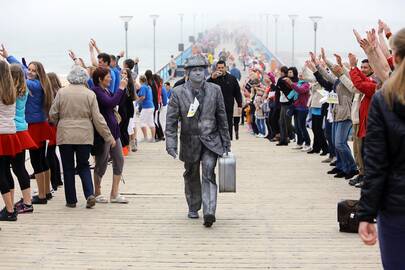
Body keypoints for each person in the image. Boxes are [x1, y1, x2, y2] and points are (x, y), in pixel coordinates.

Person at [358, 28, 405, 270]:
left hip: (397, 205)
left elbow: (376, 163)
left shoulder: (384, 100)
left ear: (395, 57)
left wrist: (366, 214)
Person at [166, 55, 231, 228]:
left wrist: (226, 142)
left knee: (208, 172)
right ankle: (194, 205)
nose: (198, 73)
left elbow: (222, 117)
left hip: (211, 140)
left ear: (206, 71)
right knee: (191, 174)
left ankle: (209, 211)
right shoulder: (178, 92)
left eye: (201, 70)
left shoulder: (215, 90)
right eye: (194, 70)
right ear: (187, 72)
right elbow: (171, 121)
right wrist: (171, 143)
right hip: (189, 140)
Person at [49, 65, 115, 208]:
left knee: (68, 167)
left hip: (65, 134)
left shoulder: (61, 92)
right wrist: (108, 137)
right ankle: (89, 194)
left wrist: (55, 122)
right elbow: (98, 119)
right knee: (84, 165)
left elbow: (53, 114)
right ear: (84, 78)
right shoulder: (89, 94)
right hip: (84, 135)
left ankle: (71, 200)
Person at [2, 46, 53, 204]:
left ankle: (41, 196)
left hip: (28, 127)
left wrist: (9, 59)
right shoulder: (35, 85)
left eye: (33, 70)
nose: (29, 72)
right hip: (34, 125)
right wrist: (9, 57)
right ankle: (45, 192)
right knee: (41, 160)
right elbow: (20, 70)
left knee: (34, 162)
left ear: (39, 73)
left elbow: (19, 71)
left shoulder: (32, 86)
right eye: (28, 69)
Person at [92, 67, 128, 204]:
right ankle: (97, 192)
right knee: (102, 163)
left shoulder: (106, 90)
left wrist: (123, 89)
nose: (111, 78)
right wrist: (120, 88)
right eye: (108, 76)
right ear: (100, 79)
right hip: (104, 133)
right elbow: (110, 103)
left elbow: (117, 101)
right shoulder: (96, 91)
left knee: (119, 160)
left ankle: (114, 193)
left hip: (115, 131)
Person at [9, 64, 37, 214]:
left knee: (9, 169)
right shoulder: (24, 90)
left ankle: (19, 202)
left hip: (12, 130)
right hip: (22, 130)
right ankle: (27, 201)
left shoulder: (10, 91)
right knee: (20, 168)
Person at [348, 56, 378, 187]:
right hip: (365, 123)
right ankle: (364, 176)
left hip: (370, 125)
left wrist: (353, 67)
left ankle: (368, 180)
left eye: (366, 67)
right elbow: (364, 79)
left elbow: (359, 84)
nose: (363, 69)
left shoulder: (377, 86)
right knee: (362, 152)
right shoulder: (375, 83)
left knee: (367, 154)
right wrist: (354, 68)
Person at [0, 60, 20, 221]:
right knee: (7, 170)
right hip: (10, 133)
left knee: (1, 174)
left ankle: (10, 209)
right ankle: (10, 206)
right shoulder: (11, 89)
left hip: (0, 134)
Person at [207, 60, 242, 139]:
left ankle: (228, 141)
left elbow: (237, 93)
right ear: (216, 68)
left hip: (228, 106)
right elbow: (205, 87)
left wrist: (239, 105)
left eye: (222, 67)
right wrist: (211, 78)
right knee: (216, 124)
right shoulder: (213, 78)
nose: (220, 69)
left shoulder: (232, 79)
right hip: (215, 107)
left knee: (228, 124)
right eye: (219, 68)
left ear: (225, 68)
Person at [47, 72, 63, 191]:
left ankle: (54, 180)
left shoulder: (52, 93)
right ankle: (58, 179)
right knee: (52, 153)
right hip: (58, 125)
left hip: (52, 125)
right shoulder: (60, 91)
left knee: (50, 155)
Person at [118, 68, 136, 155]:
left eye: (125, 73)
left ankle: (125, 149)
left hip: (125, 110)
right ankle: (126, 149)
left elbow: (123, 99)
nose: (123, 75)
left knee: (122, 129)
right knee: (124, 129)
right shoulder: (129, 84)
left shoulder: (126, 85)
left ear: (128, 75)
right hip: (126, 109)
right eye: (122, 73)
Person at [138, 75, 156, 141]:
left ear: (140, 80)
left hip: (146, 107)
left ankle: (145, 138)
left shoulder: (143, 87)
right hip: (151, 106)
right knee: (151, 122)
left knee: (142, 122)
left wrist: (136, 100)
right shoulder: (148, 87)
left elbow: (143, 97)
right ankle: (153, 138)